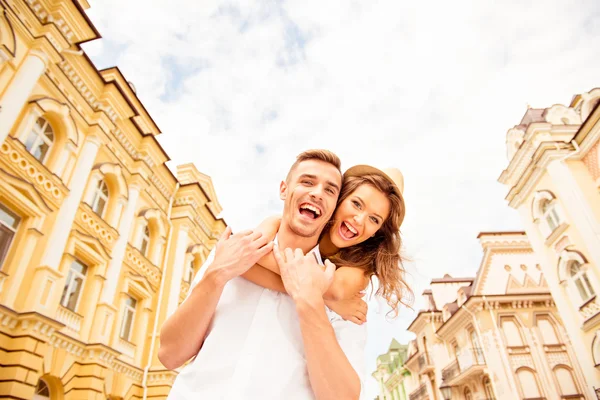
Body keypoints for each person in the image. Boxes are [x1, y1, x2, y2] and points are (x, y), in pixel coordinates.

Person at [159, 150, 406, 399]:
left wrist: (312, 302)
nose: (317, 193)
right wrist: (216, 275)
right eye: (307, 182)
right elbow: (169, 355)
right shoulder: (231, 253)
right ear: (284, 190)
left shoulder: (347, 294)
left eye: (329, 190)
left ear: (333, 206)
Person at [242, 164, 410, 324]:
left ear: (377, 231)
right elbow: (244, 261)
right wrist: (328, 302)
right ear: (340, 199)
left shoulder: (361, 267)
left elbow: (334, 290)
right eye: (356, 204)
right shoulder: (287, 224)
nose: (359, 220)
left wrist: (257, 254)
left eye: (374, 219)